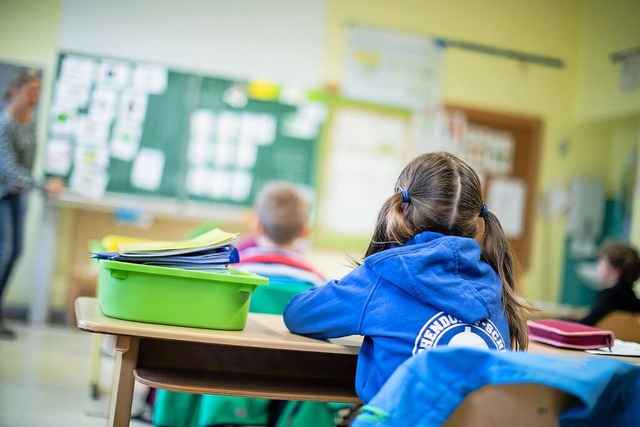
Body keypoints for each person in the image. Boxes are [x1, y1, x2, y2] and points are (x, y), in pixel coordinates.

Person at [283, 151, 531, 404]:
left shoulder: (383, 277)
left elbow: (298, 314)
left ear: (401, 209)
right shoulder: (494, 284)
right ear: (476, 221)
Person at [152, 181, 333, 427]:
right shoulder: (318, 286)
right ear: (305, 231)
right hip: (286, 399)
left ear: (256, 226)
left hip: (222, 391)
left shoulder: (230, 275)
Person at [0, 69, 64, 339]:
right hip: (3, 194)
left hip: (18, 195)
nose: (35, 97)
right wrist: (42, 185)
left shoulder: (31, 119)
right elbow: (9, 168)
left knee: (15, 252)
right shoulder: (5, 123)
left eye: (38, 91)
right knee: (5, 252)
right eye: (30, 91)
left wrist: (35, 185)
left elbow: (28, 162)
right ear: (15, 90)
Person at [579, 241, 640, 326]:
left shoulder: (609, 296)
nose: (598, 267)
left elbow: (586, 324)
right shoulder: (633, 299)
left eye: (601, 262)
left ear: (615, 272)